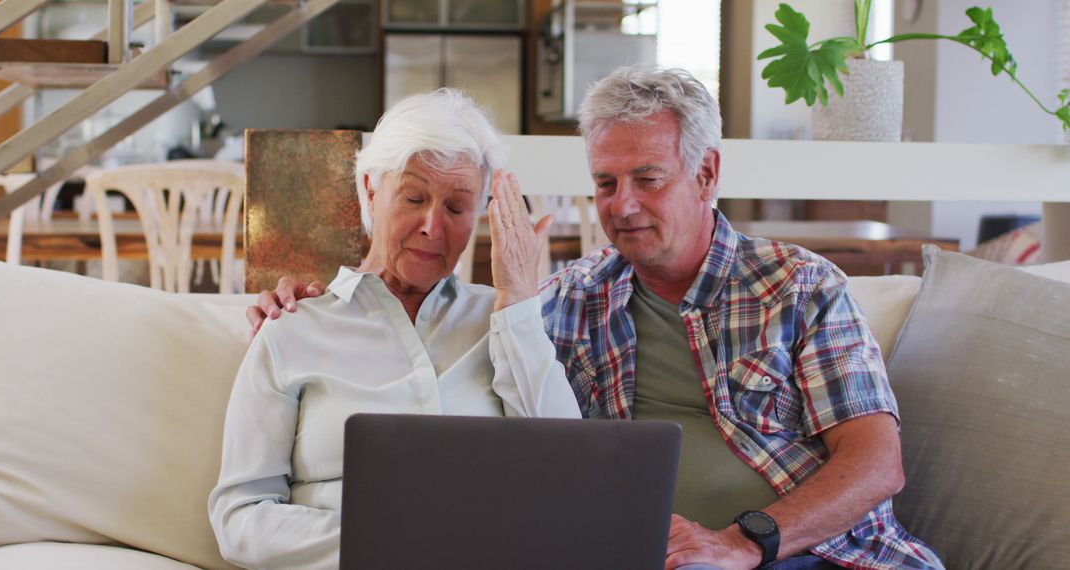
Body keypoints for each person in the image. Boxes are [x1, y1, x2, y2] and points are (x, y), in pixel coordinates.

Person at [250, 66, 943, 570]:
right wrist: (296, 299)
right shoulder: (571, 298)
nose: (623, 206)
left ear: (705, 176)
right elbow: (432, 313)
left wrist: (744, 542)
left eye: (648, 178)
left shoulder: (800, 286)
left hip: (811, 556)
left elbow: (877, 464)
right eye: (606, 184)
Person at [209, 89, 582, 569]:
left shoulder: (506, 322)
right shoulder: (293, 327)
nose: (432, 226)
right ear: (369, 189)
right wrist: (390, 544)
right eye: (413, 197)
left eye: (456, 207)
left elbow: (568, 476)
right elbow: (240, 518)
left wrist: (518, 303)